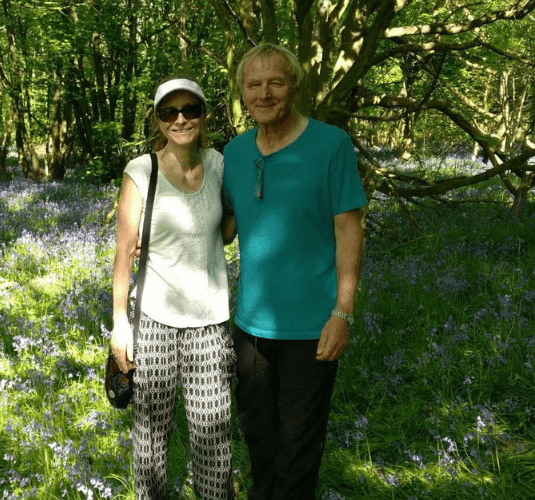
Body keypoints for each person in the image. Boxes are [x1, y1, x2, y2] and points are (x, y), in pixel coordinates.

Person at [221, 44, 367, 499]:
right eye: (254, 84)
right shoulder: (234, 153)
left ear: (295, 88)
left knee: (298, 448)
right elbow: (221, 227)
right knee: (260, 439)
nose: (264, 93)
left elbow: (349, 229)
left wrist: (342, 313)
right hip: (250, 327)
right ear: (242, 93)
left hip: (312, 329)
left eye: (276, 82)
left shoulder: (330, 145)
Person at [110, 77, 236, 500]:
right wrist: (120, 325)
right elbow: (124, 252)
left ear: (203, 115)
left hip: (210, 321)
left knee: (213, 441)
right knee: (150, 440)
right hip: (155, 320)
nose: (180, 120)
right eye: (169, 112)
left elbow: (228, 230)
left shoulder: (219, 164)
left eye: (190, 110)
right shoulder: (141, 170)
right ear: (158, 119)